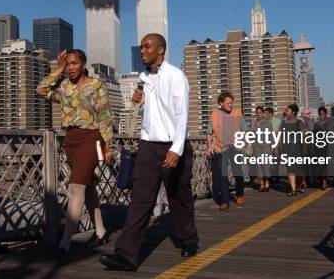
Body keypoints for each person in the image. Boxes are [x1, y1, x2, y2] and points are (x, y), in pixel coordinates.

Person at [99, 34, 198, 271]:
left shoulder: (176, 76)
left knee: (179, 199)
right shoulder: (143, 77)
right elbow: (154, 110)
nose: (142, 50)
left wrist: (176, 149)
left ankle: (189, 240)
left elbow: (181, 115)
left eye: (147, 46)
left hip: (173, 147)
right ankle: (126, 255)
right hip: (147, 147)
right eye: (142, 46)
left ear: (160, 50)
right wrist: (140, 100)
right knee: (140, 201)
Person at [36, 49, 113, 254]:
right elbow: (41, 90)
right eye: (67, 64)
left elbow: (105, 116)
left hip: (92, 138)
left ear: (84, 63)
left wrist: (108, 146)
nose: (70, 68)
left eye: (74, 64)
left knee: (75, 188)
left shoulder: (96, 85)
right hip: (71, 140)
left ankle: (65, 242)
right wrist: (57, 69)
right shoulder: (64, 87)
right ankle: (101, 231)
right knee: (87, 188)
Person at [206, 92, 247, 209]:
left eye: (232, 103)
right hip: (220, 148)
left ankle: (239, 194)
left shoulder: (237, 113)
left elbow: (245, 130)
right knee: (222, 176)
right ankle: (225, 201)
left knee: (238, 173)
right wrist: (209, 146)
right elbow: (209, 132)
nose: (231, 105)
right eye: (228, 103)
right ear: (221, 103)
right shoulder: (214, 115)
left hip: (235, 147)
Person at [279, 104, 307, 196]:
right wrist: (277, 147)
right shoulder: (283, 122)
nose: (285, 112)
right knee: (290, 169)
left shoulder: (299, 122)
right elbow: (280, 135)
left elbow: (304, 135)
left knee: (298, 169)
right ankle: (293, 189)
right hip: (287, 148)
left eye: (287, 110)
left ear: (293, 112)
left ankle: (301, 182)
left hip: (297, 148)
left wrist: (304, 147)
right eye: (286, 110)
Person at [312, 107, 334, 189]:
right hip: (320, 147)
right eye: (320, 114)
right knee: (322, 164)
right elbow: (314, 136)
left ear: (326, 113)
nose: (321, 116)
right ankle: (324, 182)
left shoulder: (332, 121)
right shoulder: (317, 123)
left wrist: (332, 134)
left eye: (323, 114)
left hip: (332, 146)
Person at [250, 106, 273, 192]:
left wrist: (273, 147)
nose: (258, 114)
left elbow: (271, 135)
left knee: (265, 165)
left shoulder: (268, 122)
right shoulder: (254, 123)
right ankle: (262, 184)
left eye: (260, 112)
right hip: (256, 146)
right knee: (259, 165)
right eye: (257, 113)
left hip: (266, 146)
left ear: (263, 113)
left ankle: (267, 183)